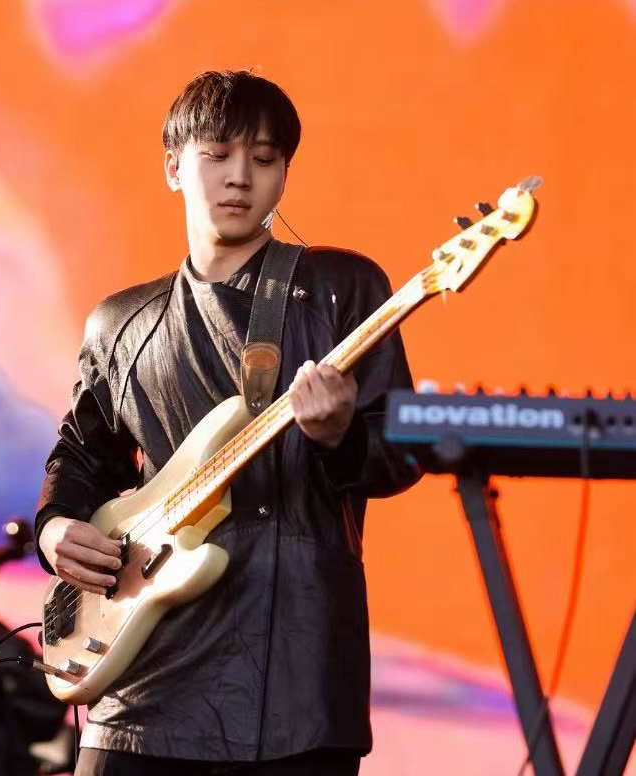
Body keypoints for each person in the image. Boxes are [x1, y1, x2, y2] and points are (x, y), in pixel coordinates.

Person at [34, 70, 422, 776]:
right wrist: (55, 527)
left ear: (284, 174)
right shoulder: (119, 322)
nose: (240, 177)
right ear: (173, 167)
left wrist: (339, 436)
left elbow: (400, 453)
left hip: (293, 670)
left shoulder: (342, 288)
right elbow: (82, 457)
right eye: (217, 155)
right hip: (141, 665)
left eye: (264, 158)